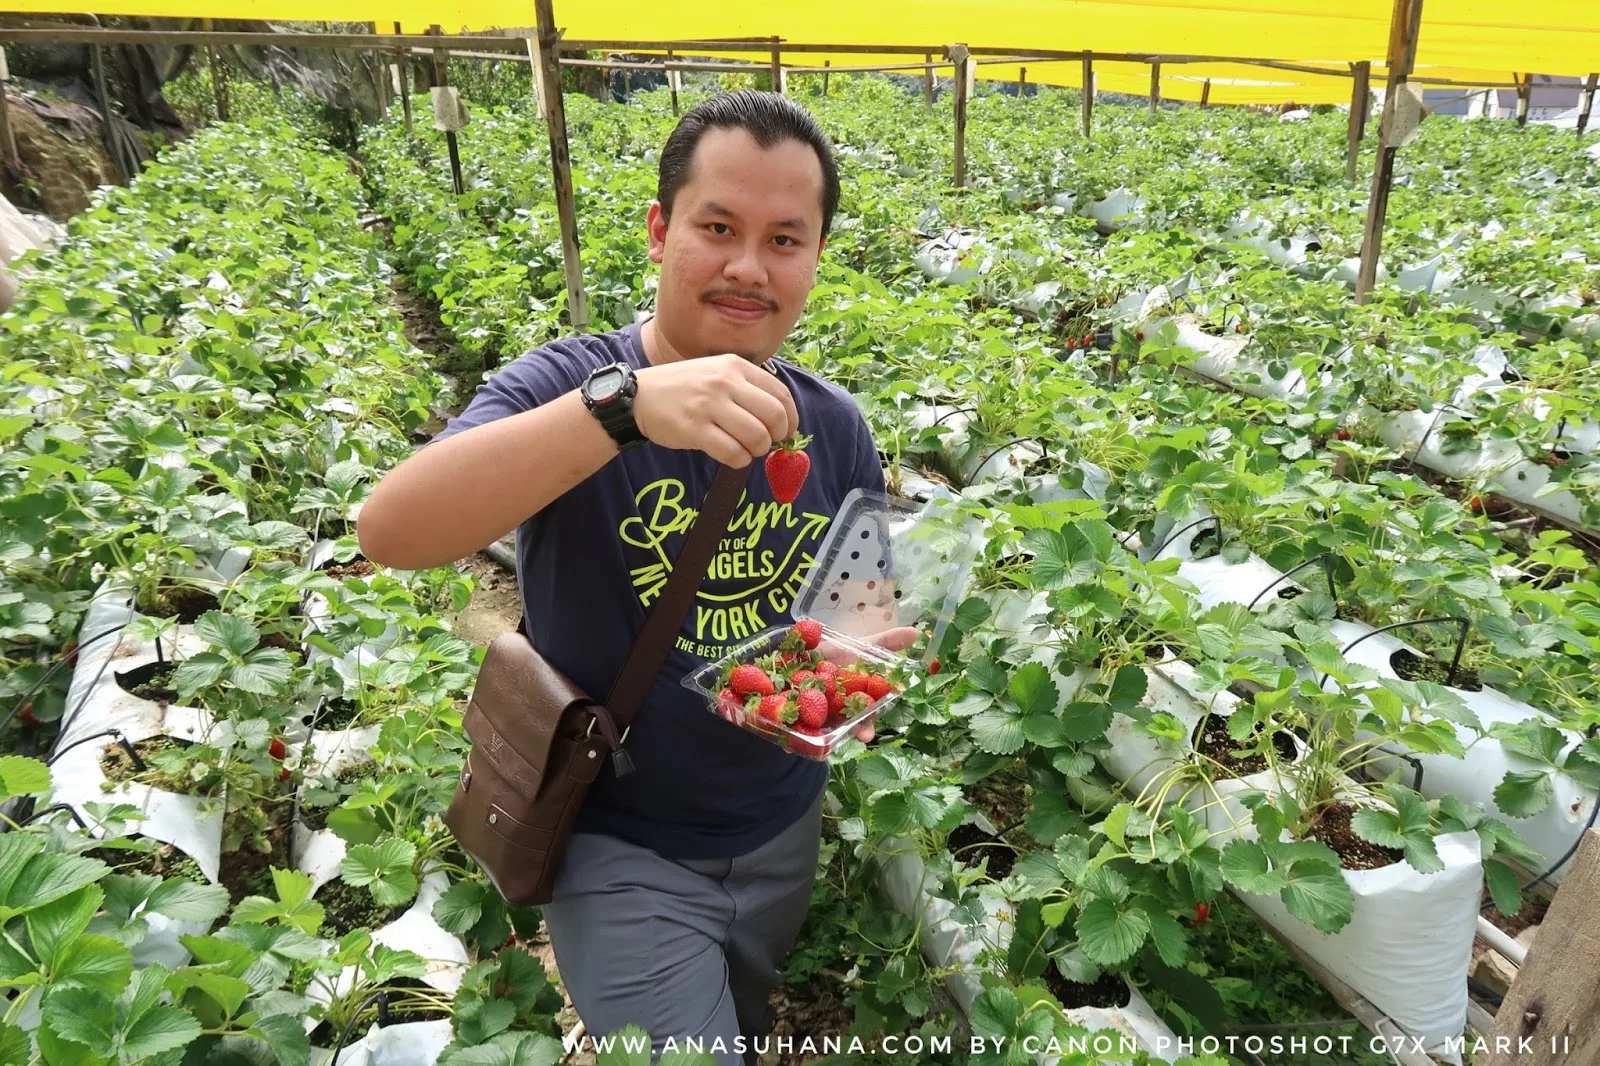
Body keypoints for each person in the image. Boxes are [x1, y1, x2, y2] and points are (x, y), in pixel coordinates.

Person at [358, 91, 911, 1065]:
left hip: (781, 824)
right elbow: (391, 528)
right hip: (621, 843)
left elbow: (858, 605)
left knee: (740, 1020)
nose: (749, 265)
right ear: (660, 232)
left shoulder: (832, 424)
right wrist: (624, 410)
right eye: (717, 227)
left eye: (785, 238)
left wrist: (859, 660)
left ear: (818, 255)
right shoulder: (567, 388)